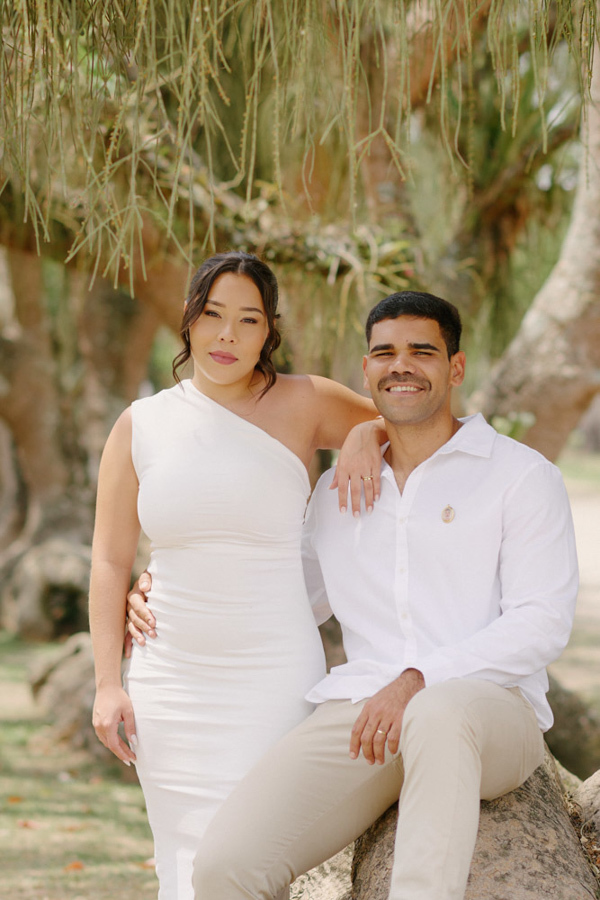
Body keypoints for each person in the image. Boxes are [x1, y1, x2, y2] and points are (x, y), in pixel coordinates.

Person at [176, 289, 576, 899]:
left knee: (440, 713)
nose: (401, 366)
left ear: (456, 367)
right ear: (366, 370)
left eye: (423, 351)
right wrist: (165, 594)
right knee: (227, 866)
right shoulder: (339, 489)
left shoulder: (520, 476)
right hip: (363, 713)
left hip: (491, 712)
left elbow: (542, 621)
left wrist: (418, 678)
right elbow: (286, 597)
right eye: (384, 353)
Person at [88, 250, 387, 900]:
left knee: (247, 863)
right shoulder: (140, 425)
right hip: (167, 677)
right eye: (213, 314)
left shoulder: (304, 402)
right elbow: (110, 560)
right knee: (182, 865)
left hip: (272, 674)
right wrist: (107, 684)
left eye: (247, 320)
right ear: (189, 320)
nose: (227, 335)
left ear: (268, 332)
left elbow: (409, 427)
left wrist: (365, 436)